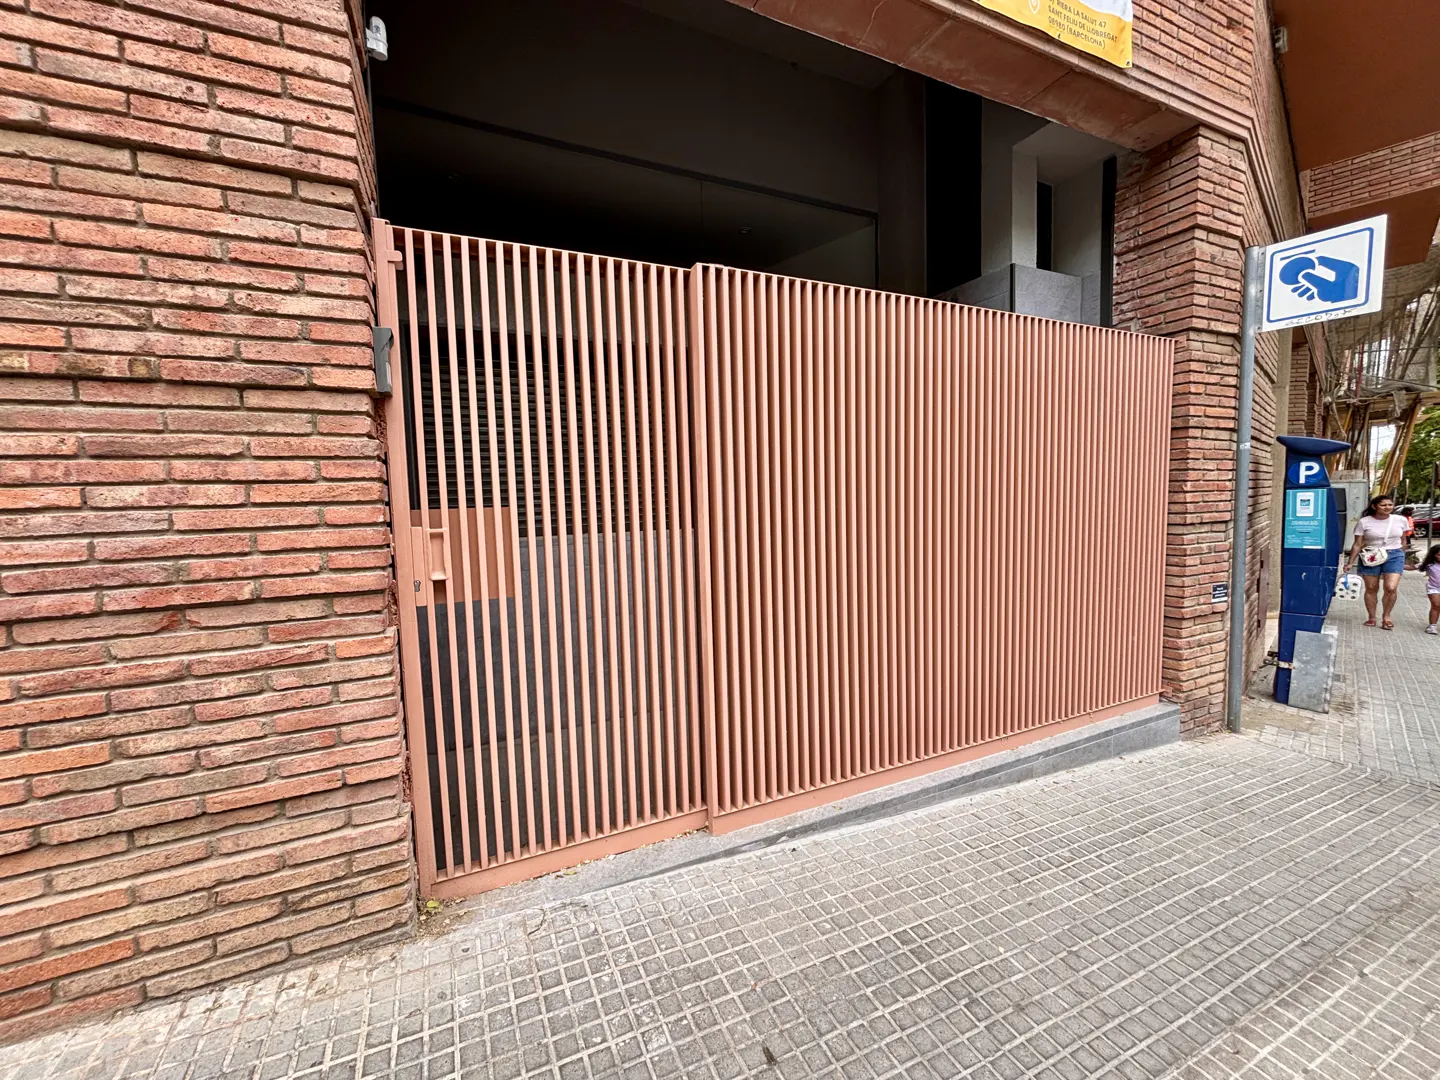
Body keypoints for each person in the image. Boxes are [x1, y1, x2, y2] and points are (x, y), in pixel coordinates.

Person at [1343, 494, 1408, 629]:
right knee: (1372, 588)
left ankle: (1386, 617)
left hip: (1394, 554)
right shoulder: (1364, 522)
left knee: (1391, 587)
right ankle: (1372, 617)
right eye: (1383, 505)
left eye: (1390, 505)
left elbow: (1403, 540)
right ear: (1374, 506)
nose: (1387, 507)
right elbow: (1357, 544)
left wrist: (1402, 554)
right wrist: (1350, 562)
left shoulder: (1400, 520)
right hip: (1371, 555)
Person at [1423, 544, 1440, 635]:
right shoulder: (1430, 564)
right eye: (1438, 555)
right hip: (1434, 588)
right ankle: (1432, 626)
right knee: (1436, 605)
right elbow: (1413, 567)